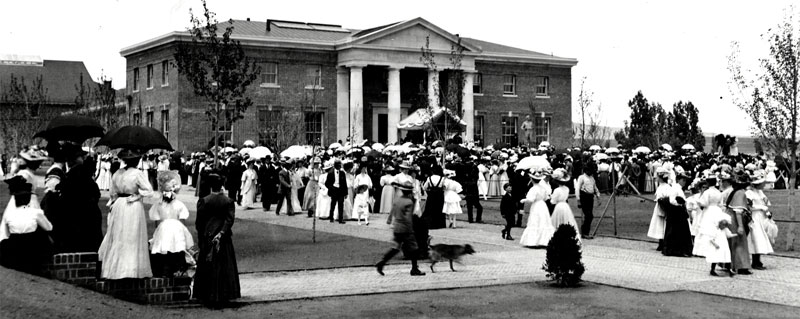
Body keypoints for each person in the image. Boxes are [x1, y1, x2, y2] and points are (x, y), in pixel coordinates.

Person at [98, 149, 156, 279]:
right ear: (137, 161)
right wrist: (137, 195)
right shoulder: (138, 173)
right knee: (132, 234)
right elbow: (149, 190)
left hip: (119, 204)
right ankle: (130, 269)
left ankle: (116, 268)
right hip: (132, 205)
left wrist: (114, 202)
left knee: (119, 234)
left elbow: (112, 193)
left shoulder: (117, 173)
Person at [194, 173, 241, 307]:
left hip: (208, 236)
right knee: (224, 265)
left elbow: (199, 222)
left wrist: (202, 236)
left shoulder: (204, 200)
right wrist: (221, 232)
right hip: (223, 238)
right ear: (221, 186)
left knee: (207, 265)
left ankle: (206, 293)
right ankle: (225, 293)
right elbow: (229, 220)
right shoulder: (228, 201)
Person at [0, 176, 53, 276]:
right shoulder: (35, 213)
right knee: (42, 234)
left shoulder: (9, 215)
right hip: (31, 245)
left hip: (14, 245)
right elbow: (49, 227)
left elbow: (6, 233)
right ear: (28, 199)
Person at [375, 181, 425, 277]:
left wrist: (389, 221)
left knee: (396, 247)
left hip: (397, 226)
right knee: (414, 248)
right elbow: (407, 217)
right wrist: (410, 229)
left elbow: (392, 212)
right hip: (405, 228)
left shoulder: (397, 200)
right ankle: (414, 268)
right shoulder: (409, 202)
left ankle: (382, 262)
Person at [149, 171, 193, 277]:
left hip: (163, 228)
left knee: (164, 248)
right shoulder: (179, 205)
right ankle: (176, 269)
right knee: (177, 248)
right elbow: (182, 223)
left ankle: (166, 270)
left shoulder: (158, 205)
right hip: (177, 228)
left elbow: (156, 222)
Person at [519, 168, 555, 248]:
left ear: (532, 180)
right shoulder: (543, 188)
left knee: (535, 221)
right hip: (543, 205)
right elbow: (546, 198)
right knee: (543, 221)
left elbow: (531, 199)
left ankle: (534, 241)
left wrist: (523, 200)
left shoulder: (533, 189)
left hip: (536, 205)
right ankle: (544, 240)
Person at [725, 168, 752, 275]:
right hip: (735, 220)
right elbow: (738, 211)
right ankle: (741, 266)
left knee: (732, 242)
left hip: (729, 217)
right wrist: (740, 226)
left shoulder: (733, 192)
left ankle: (729, 264)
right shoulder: (740, 193)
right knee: (739, 241)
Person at [746, 170, 774, 270]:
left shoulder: (760, 192)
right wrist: (760, 207)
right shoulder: (749, 193)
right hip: (754, 216)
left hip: (761, 216)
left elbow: (766, 202)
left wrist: (766, 210)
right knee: (756, 238)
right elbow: (749, 206)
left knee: (761, 238)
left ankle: (758, 260)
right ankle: (755, 261)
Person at [550, 168, 581, 241]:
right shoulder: (567, 189)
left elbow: (553, 201)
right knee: (566, 219)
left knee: (557, 220)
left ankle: (557, 236)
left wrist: (551, 197)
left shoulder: (557, 190)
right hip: (565, 205)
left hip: (559, 206)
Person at [647, 167, 671, 251]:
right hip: (659, 206)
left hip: (663, 207)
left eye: (657, 176)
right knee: (659, 224)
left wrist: (661, 201)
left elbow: (667, 198)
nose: (656, 178)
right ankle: (661, 242)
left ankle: (664, 242)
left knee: (662, 224)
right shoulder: (660, 186)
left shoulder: (667, 187)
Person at [575, 163, 600, 239]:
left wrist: (598, 197)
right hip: (584, 196)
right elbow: (577, 188)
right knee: (588, 215)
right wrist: (578, 200)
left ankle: (586, 232)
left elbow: (595, 188)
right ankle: (584, 232)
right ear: (586, 170)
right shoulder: (581, 177)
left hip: (590, 197)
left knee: (590, 215)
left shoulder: (592, 178)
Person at [422, 165, 447, 230]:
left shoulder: (429, 178)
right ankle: (439, 224)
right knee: (439, 208)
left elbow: (424, 187)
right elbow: (445, 187)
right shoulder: (442, 178)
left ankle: (430, 224)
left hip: (431, 194)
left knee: (430, 209)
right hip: (439, 194)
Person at [326, 159, 348, 223]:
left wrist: (346, 193)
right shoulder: (330, 173)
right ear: (335, 165)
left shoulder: (342, 173)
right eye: (338, 165)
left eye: (340, 165)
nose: (339, 167)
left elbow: (344, 184)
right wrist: (332, 188)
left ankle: (340, 219)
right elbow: (327, 183)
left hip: (341, 191)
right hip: (334, 191)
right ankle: (331, 217)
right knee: (333, 204)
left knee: (341, 205)